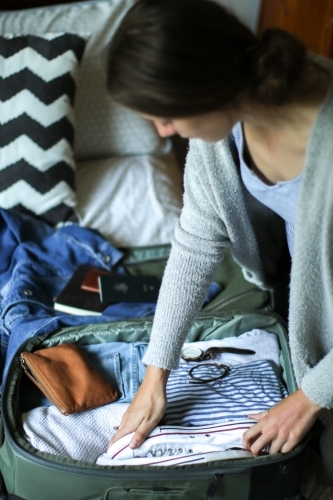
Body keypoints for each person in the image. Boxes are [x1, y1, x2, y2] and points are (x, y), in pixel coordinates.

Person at [106, 0, 333, 482]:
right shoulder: (220, 135)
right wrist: (155, 374)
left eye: (165, 118)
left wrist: (311, 395)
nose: (163, 133)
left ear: (205, 89)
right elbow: (194, 243)